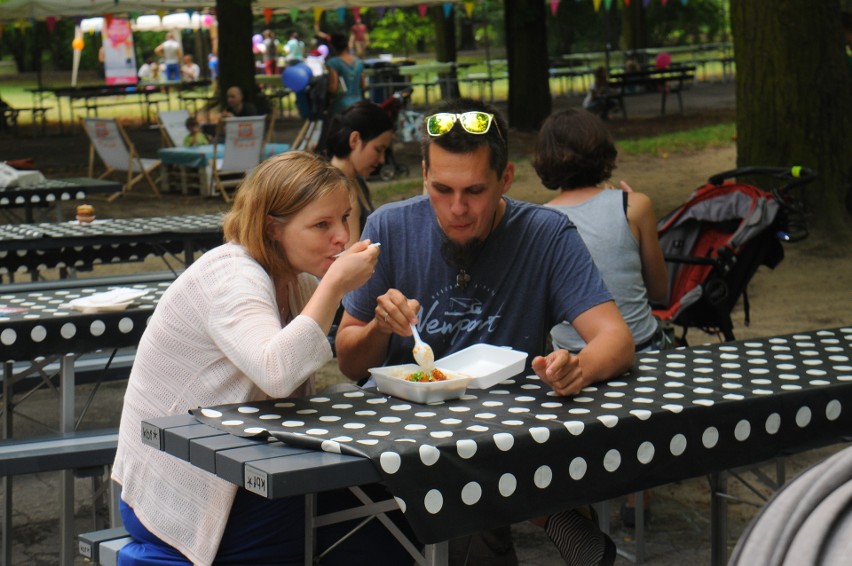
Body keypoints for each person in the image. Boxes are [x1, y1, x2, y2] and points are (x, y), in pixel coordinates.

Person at [335, 98, 633, 565]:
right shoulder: (389, 228)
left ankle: (547, 512)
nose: (457, 209)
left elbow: (615, 337)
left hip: (504, 431)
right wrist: (378, 326)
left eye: (474, 190)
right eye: (441, 189)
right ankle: (552, 514)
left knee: (468, 491)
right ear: (424, 179)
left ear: (506, 179)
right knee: (457, 491)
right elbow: (349, 360)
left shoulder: (545, 233)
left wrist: (579, 367)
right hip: (403, 433)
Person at [111, 151, 420, 565]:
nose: (342, 237)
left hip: (244, 471)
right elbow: (277, 371)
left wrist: (379, 324)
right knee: (376, 514)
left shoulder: (293, 278)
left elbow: (325, 351)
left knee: (390, 504)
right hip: (178, 490)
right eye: (321, 224)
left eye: (345, 217)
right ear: (273, 228)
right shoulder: (233, 276)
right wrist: (332, 286)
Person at [534, 108, 669, 532]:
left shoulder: (538, 220)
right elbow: (661, 293)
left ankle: (582, 488)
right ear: (603, 152)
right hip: (641, 351)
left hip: (569, 360)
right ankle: (638, 495)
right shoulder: (634, 205)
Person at [322, 101, 393, 247]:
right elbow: (349, 260)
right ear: (354, 140)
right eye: (378, 149)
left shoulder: (355, 181)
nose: (382, 160)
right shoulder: (342, 191)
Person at [325, 32, 366, 115]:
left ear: (332, 46)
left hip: (341, 105)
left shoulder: (333, 63)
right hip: (358, 103)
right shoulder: (359, 62)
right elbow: (363, 85)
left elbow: (333, 87)